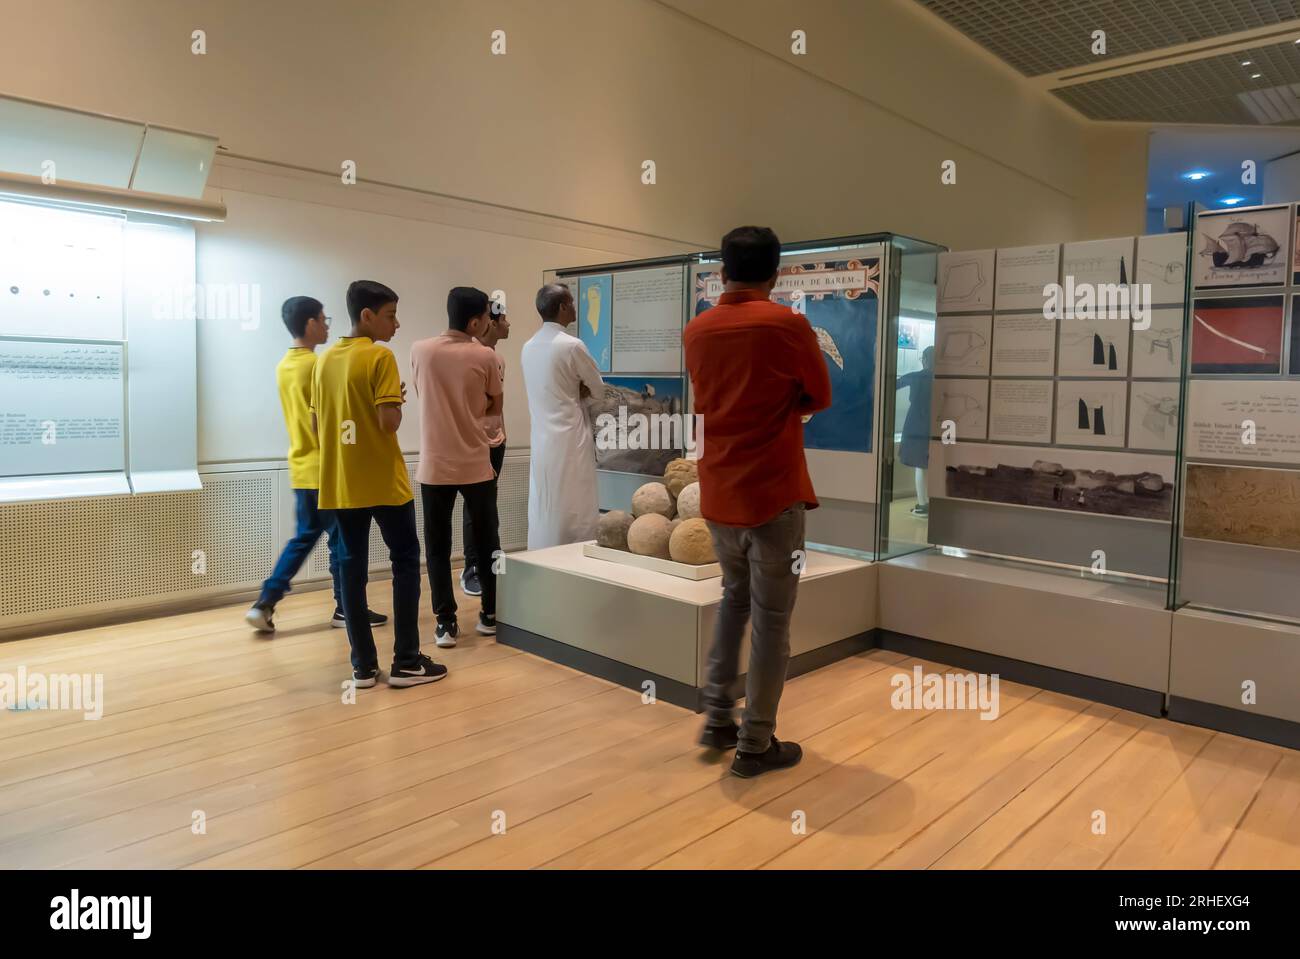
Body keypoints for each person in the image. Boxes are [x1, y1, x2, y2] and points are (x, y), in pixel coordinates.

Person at [684, 225, 831, 779]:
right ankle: (756, 742)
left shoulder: (696, 329)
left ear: (722, 272)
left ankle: (719, 716)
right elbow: (820, 394)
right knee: (773, 620)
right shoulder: (788, 324)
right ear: (776, 274)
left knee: (733, 602)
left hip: (719, 492)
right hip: (773, 492)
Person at [313, 280, 445, 688]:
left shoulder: (323, 360)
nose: (397, 323)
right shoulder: (380, 357)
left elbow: (319, 427)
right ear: (366, 316)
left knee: (350, 569)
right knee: (405, 562)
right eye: (390, 315)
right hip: (384, 484)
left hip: (341, 484)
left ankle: (363, 667)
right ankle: (406, 660)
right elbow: (389, 423)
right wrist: (393, 401)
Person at [245, 296, 387, 633]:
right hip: (326, 468)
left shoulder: (285, 366)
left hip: (301, 467)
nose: (327, 326)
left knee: (319, 538)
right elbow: (332, 416)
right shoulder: (318, 365)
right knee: (337, 541)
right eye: (324, 320)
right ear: (310, 323)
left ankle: (325, 605)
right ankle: (284, 601)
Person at [411, 287, 504, 646]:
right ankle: (490, 614)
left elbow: (424, 393)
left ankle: (445, 623)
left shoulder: (420, 350)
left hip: (435, 465)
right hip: (476, 463)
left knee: (436, 547)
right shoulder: (485, 356)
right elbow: (495, 407)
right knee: (487, 541)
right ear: (476, 321)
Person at [520, 283, 604, 549]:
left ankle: (543, 557)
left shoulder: (528, 346)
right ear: (563, 307)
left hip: (542, 439)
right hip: (571, 437)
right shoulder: (572, 346)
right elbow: (599, 390)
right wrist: (581, 394)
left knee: (546, 502)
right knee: (575, 503)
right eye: (571, 303)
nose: (575, 308)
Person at [458, 303, 510, 598]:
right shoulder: (469, 355)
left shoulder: (497, 358)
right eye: (504, 319)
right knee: (474, 508)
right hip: (474, 442)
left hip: (496, 441)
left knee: (488, 506)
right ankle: (472, 569)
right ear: (489, 322)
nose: (508, 324)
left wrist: (501, 436)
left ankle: (490, 567)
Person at [895, 345, 933, 517]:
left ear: (924, 359)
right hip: (936, 424)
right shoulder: (942, 378)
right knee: (930, 465)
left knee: (920, 466)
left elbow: (892, 385)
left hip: (916, 424)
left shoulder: (916, 377)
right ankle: (927, 502)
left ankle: (922, 504)